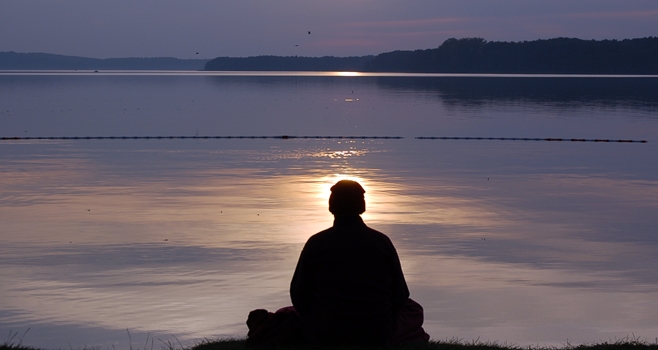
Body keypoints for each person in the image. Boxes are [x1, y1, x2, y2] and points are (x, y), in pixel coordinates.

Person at [246, 180, 429, 346]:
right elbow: (401, 295)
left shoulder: (317, 243)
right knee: (412, 309)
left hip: (325, 333)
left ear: (331, 206)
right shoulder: (382, 242)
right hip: (375, 332)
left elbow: (299, 296)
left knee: (287, 313)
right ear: (362, 206)